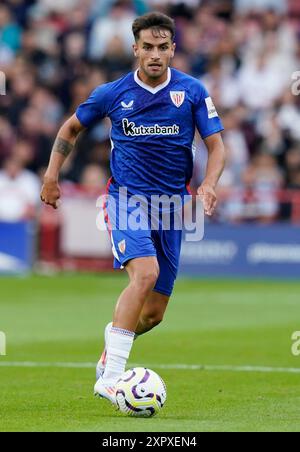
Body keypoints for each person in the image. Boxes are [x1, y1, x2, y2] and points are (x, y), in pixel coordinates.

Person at [40, 12, 226, 405]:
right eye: (147, 47)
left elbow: (217, 145)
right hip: (126, 200)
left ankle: (112, 347)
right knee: (145, 274)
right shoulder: (112, 93)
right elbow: (70, 128)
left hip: (172, 209)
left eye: (163, 47)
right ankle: (110, 379)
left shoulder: (191, 92)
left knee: (154, 314)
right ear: (135, 49)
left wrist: (209, 184)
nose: (155, 55)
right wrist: (52, 176)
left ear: (173, 49)